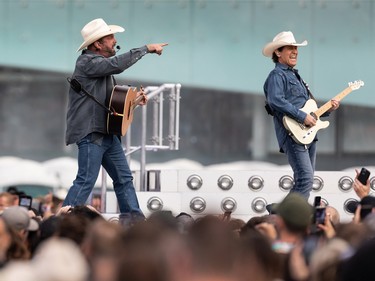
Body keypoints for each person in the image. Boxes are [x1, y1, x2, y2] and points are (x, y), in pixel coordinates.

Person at [62, 18, 168, 220]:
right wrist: (146, 49)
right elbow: (116, 65)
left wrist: (133, 101)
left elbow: (111, 101)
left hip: (106, 133)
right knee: (86, 180)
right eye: (109, 37)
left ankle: (134, 223)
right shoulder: (86, 62)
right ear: (97, 44)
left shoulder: (100, 67)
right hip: (92, 133)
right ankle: (63, 223)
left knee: (124, 179)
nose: (114, 40)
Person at [262, 31, 340, 199]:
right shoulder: (277, 75)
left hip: (306, 134)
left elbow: (309, 110)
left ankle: (281, 215)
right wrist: (302, 117)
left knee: (305, 180)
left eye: (296, 48)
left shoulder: (294, 75)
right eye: (290, 47)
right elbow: (275, 100)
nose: (295, 51)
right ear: (278, 52)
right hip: (292, 134)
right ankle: (286, 219)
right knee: (305, 179)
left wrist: (328, 109)